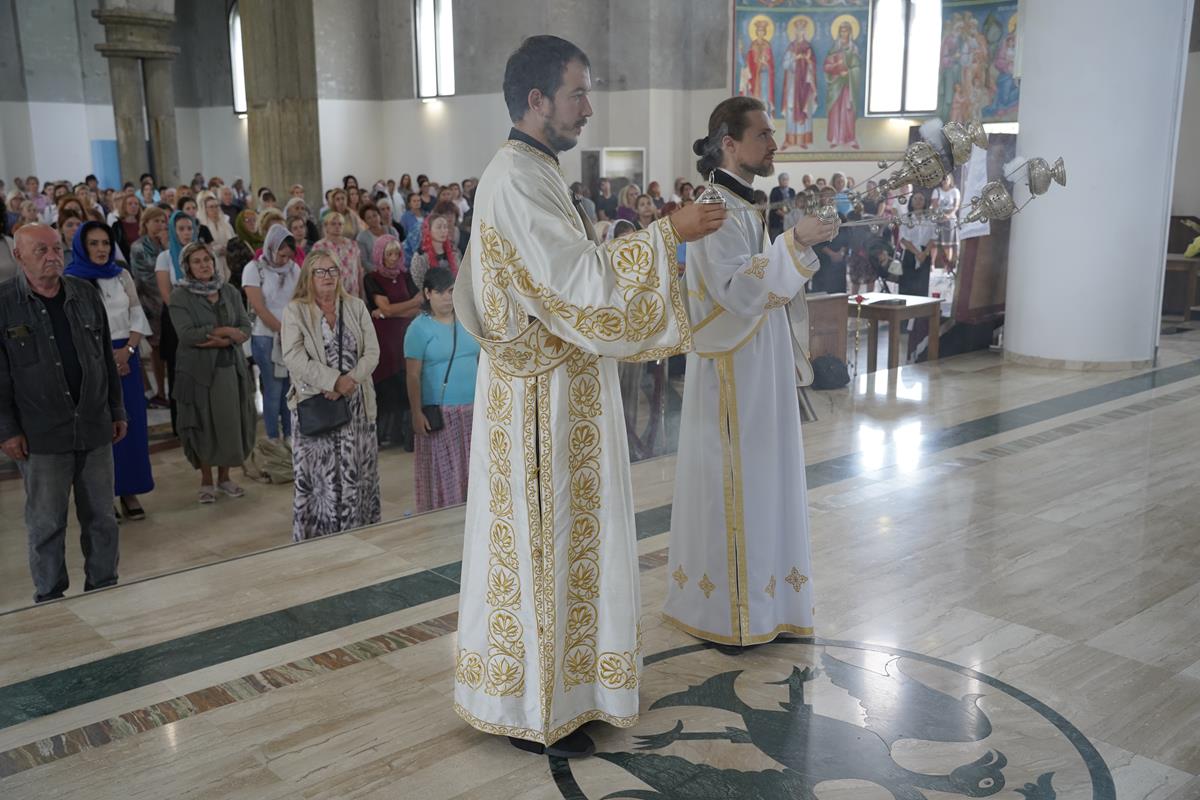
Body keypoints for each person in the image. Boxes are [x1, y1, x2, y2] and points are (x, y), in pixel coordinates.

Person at [451, 35, 724, 758]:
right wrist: (666, 236)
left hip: (561, 389)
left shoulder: (535, 172)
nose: (589, 109)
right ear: (537, 99)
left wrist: (632, 237)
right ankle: (538, 710)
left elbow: (565, 268)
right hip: (539, 404)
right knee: (545, 546)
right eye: (579, 94)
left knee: (571, 543)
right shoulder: (516, 177)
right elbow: (577, 284)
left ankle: (575, 691)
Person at [665, 95, 836, 649]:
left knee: (767, 482)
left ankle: (770, 605)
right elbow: (736, 291)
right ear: (729, 143)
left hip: (759, 365)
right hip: (731, 374)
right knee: (736, 486)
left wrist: (795, 249)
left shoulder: (742, 204)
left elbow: (764, 284)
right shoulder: (714, 208)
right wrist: (795, 243)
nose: (773, 144)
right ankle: (728, 616)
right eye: (762, 134)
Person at [0, 224, 127, 603]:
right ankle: (50, 597)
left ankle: (103, 589)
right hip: (41, 433)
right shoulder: (5, 304)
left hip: (93, 424)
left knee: (102, 518)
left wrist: (116, 408)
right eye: (41, 250)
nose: (53, 256)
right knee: (47, 523)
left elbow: (104, 357)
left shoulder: (84, 293)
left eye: (57, 248)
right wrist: (6, 429)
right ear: (18, 255)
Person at [282, 250, 381, 541]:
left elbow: (372, 352)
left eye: (333, 270)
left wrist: (350, 380)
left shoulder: (355, 306)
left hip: (356, 404)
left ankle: (357, 531)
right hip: (317, 402)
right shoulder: (295, 311)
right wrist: (333, 381)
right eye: (320, 271)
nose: (328, 277)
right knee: (319, 479)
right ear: (308, 277)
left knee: (355, 474)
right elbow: (293, 357)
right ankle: (318, 538)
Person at [66, 221, 154, 520]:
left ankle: (130, 491)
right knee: (101, 429)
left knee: (131, 427)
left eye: (105, 243)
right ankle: (104, 496)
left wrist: (127, 351)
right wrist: (105, 359)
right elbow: (74, 327)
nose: (101, 249)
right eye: (94, 243)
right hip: (92, 361)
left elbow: (137, 315)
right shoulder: (71, 280)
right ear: (82, 247)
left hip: (126, 355)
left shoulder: (121, 275)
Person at [169, 242, 255, 503]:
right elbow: (187, 335)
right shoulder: (180, 296)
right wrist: (227, 332)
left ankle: (225, 478)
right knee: (203, 424)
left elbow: (245, 326)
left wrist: (224, 340)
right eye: (196, 261)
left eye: (207, 259)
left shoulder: (228, 291)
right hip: (198, 372)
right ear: (187, 267)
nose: (204, 265)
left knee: (229, 422)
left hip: (230, 368)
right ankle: (206, 481)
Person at [403, 266, 479, 511]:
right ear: (427, 294)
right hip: (442, 412)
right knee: (445, 473)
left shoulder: (468, 318)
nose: (448, 297)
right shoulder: (419, 328)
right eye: (441, 292)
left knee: (474, 469)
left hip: (474, 409)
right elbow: (412, 375)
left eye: (452, 291)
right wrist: (416, 413)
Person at [243, 225, 302, 442]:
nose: (283, 260)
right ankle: (272, 437)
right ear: (270, 247)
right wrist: (282, 330)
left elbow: (300, 300)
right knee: (273, 388)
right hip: (266, 336)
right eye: (280, 255)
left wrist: (294, 331)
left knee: (289, 387)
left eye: (288, 256)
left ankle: (289, 434)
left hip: (290, 335)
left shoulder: (294, 269)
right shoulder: (254, 269)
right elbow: (259, 308)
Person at [365, 235, 421, 450]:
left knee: (407, 380)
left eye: (396, 253)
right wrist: (406, 305)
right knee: (387, 382)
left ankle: (404, 434)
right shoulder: (372, 278)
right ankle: (383, 434)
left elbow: (419, 307)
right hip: (385, 339)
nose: (393, 258)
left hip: (407, 334)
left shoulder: (406, 276)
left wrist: (388, 312)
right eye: (389, 254)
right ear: (380, 255)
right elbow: (387, 308)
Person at [128, 206, 171, 408]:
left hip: (170, 299)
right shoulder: (138, 247)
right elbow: (146, 275)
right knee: (157, 347)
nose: (160, 225)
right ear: (145, 223)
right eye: (156, 221)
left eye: (163, 221)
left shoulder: (168, 244)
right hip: (150, 301)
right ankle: (160, 391)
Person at [311, 210, 364, 298]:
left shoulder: (352, 245)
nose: (337, 226)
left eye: (340, 224)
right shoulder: (319, 246)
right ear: (326, 226)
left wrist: (362, 294)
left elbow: (359, 270)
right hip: (329, 295)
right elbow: (314, 273)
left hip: (352, 294)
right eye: (333, 224)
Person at [408, 211, 461, 291]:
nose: (443, 230)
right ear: (428, 230)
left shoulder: (455, 252)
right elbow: (420, 283)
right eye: (439, 227)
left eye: (445, 227)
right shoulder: (420, 257)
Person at [898, 190, 936, 297]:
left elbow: (933, 238)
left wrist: (924, 253)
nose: (918, 201)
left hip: (925, 254)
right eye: (915, 199)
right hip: (910, 254)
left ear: (925, 202)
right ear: (911, 201)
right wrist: (917, 253)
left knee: (922, 287)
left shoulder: (930, 218)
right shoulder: (906, 218)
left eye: (921, 199)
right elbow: (903, 239)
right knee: (907, 287)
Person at [198, 190, 236, 281]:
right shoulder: (203, 227)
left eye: (216, 206)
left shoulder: (226, 225)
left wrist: (228, 249)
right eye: (211, 207)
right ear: (205, 209)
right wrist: (215, 250)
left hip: (228, 260)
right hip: (213, 261)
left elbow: (234, 241)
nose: (215, 209)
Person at [931, 173, 961, 272]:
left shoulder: (955, 191)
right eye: (943, 179)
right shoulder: (936, 191)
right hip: (938, 217)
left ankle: (947, 266)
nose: (944, 181)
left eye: (946, 178)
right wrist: (941, 216)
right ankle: (932, 264)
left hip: (950, 218)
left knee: (947, 244)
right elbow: (935, 205)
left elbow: (956, 206)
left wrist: (949, 215)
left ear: (950, 179)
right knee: (934, 243)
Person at [356, 202, 389, 270]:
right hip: (374, 272)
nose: (373, 219)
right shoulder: (361, 237)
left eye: (375, 215)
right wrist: (378, 271)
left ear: (379, 215)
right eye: (369, 218)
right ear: (365, 221)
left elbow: (399, 252)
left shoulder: (392, 231)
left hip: (394, 270)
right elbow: (363, 261)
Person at [769, 172, 796, 242]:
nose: (785, 181)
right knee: (775, 240)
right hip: (776, 221)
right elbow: (773, 206)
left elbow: (794, 205)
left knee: (788, 241)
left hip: (789, 221)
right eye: (783, 179)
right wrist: (784, 215)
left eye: (787, 179)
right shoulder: (775, 190)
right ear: (779, 181)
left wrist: (788, 216)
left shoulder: (792, 191)